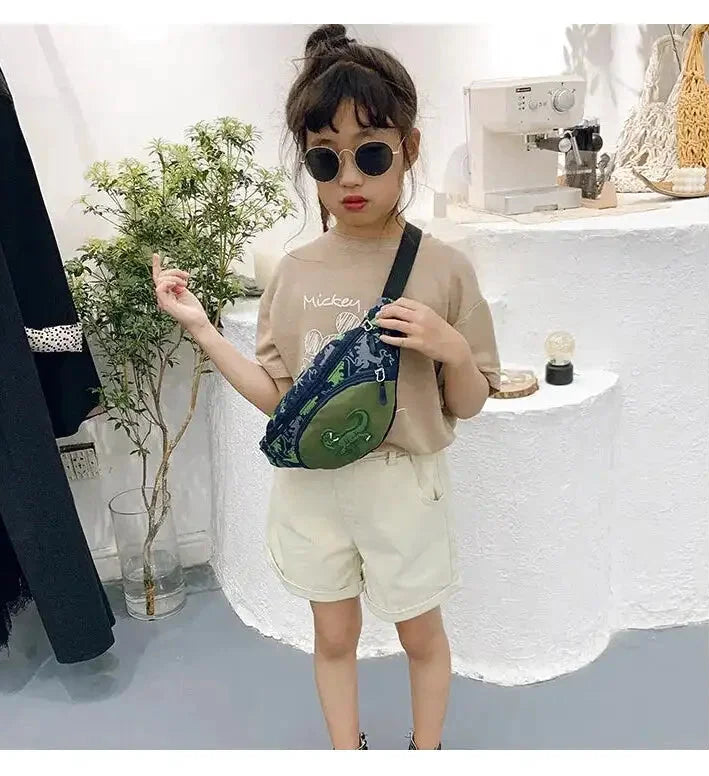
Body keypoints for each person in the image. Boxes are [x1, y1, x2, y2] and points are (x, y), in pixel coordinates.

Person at [151, 24, 501, 750]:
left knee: (420, 636)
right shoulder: (295, 272)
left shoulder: (444, 269)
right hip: (313, 487)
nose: (349, 178)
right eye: (324, 158)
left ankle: (426, 751)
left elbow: (469, 402)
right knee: (334, 637)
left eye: (371, 153)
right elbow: (282, 400)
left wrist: (449, 346)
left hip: (403, 486)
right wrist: (203, 328)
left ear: (408, 146)